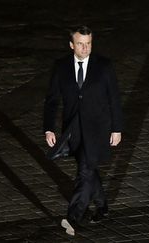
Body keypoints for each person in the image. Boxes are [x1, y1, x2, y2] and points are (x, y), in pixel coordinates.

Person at [43, 26, 123, 236]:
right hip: (74, 129)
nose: (85, 47)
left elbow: (114, 98)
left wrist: (117, 128)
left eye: (88, 43)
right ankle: (102, 205)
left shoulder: (104, 66)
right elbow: (52, 100)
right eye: (80, 43)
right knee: (88, 170)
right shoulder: (61, 67)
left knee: (85, 172)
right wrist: (49, 128)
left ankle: (73, 217)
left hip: (97, 129)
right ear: (72, 45)